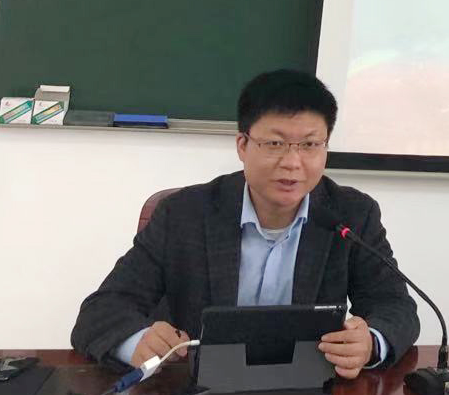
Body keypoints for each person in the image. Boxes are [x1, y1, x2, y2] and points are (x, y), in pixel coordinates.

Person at [70, 70, 419, 378]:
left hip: (311, 392)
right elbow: (101, 311)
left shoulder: (351, 214)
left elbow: (396, 307)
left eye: (310, 145)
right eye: (275, 143)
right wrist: (138, 343)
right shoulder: (183, 214)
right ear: (242, 145)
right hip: (196, 394)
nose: (293, 162)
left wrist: (371, 343)